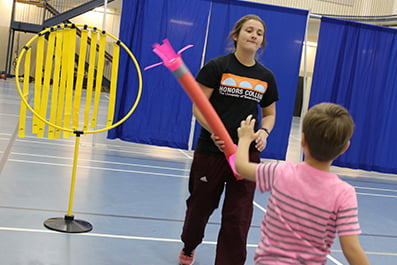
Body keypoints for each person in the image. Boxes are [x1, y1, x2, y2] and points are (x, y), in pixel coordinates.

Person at [179, 14, 279, 265]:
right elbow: (198, 107)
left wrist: (264, 133)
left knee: (239, 215)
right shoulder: (217, 67)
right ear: (236, 36)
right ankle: (189, 245)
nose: (254, 35)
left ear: (261, 41)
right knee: (200, 207)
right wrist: (212, 130)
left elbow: (269, 114)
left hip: (246, 155)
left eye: (259, 33)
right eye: (249, 30)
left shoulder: (266, 76)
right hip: (211, 151)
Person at [235, 103, 370, 265]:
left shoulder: (280, 172)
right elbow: (351, 249)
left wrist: (244, 139)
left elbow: (241, 167)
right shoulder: (344, 193)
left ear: (303, 140)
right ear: (344, 148)